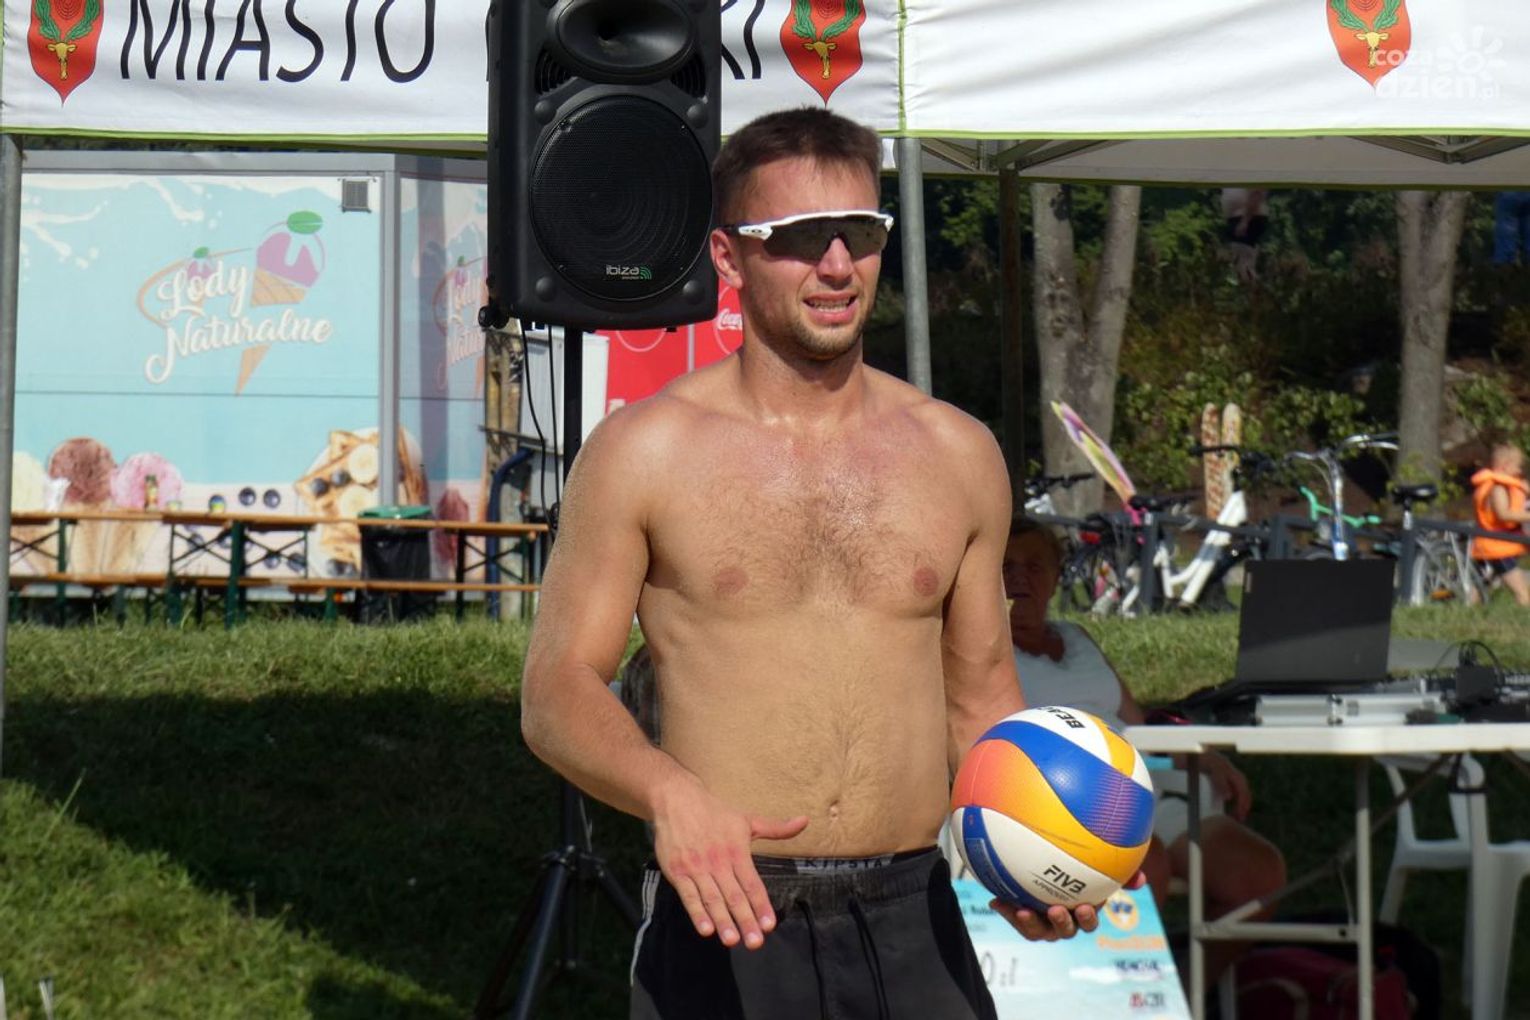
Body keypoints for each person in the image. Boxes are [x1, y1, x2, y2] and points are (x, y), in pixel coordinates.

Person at [520, 107, 1116, 1020]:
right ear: (729, 258)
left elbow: (981, 699)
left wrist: (1026, 856)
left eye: (860, 233)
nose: (838, 265)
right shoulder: (646, 451)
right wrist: (667, 793)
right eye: (800, 237)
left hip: (917, 917)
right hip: (730, 913)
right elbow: (555, 689)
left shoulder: (958, 453)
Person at [996, 515, 1287, 985]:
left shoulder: (1077, 638)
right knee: (1144, 863)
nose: (1020, 578)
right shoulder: (983, 650)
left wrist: (1198, 755)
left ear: (1055, 576)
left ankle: (1188, 994)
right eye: (1006, 566)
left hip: (1138, 789)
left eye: (1034, 566)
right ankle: (1111, 998)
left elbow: (1138, 723)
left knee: (1258, 873)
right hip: (1057, 805)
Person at [1470, 442, 1530, 606]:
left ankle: (1465, 612)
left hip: (1492, 546)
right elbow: (1503, 514)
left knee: (1479, 588)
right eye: (1518, 466)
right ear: (1505, 466)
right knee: (1522, 592)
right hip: (1497, 549)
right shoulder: (1498, 488)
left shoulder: (1502, 485)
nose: (1519, 471)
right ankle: (1522, 618)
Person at [1220, 187, 1268, 283]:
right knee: (1240, 261)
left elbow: (1258, 192)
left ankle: (1252, 287)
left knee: (1243, 263)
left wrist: (1245, 220)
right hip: (1238, 219)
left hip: (1247, 219)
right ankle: (1250, 285)